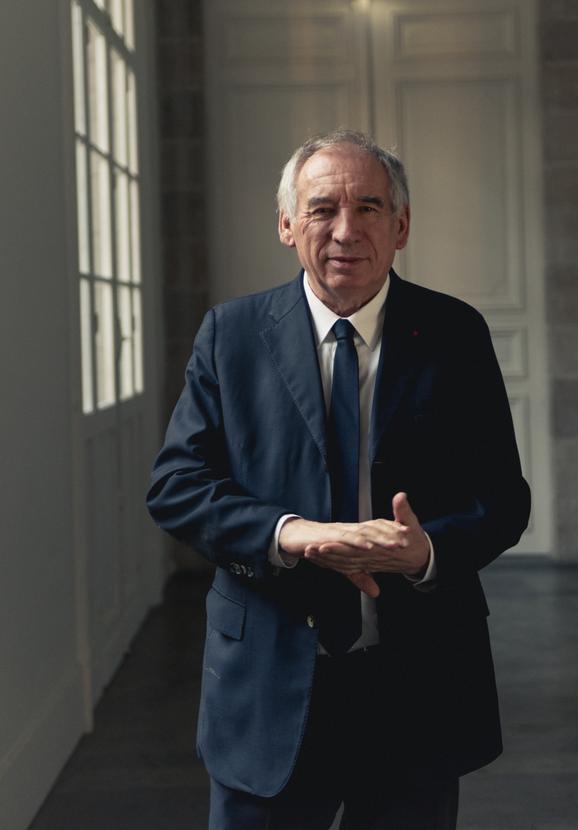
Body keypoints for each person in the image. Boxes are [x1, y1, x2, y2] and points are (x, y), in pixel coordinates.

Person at [147, 129, 531, 829]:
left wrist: (429, 553)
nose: (345, 231)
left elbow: (502, 498)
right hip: (268, 680)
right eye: (322, 209)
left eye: (370, 208)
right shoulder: (229, 336)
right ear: (287, 224)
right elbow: (176, 484)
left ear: (402, 226)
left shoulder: (456, 333)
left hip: (416, 682)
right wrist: (290, 534)